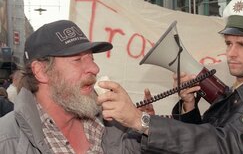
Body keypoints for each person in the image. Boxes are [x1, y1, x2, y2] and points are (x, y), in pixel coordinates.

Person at [97, 0, 243, 153]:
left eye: (242, 44)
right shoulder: (234, 93)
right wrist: (189, 105)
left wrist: (142, 121)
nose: (231, 53)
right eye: (228, 43)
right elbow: (200, 142)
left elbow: (226, 146)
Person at [0, 20, 141, 153]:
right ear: (41, 71)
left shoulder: (110, 124)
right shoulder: (6, 141)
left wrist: (142, 125)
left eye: (92, 59)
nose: (95, 68)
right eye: (77, 60)